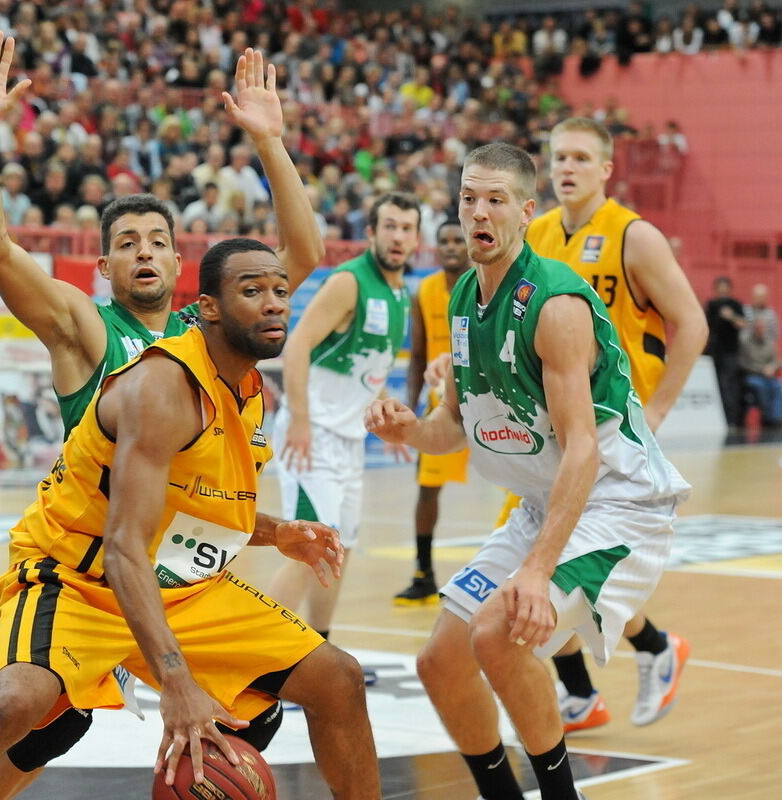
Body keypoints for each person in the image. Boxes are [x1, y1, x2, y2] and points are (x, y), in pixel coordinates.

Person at [0, 31, 324, 798]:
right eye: (127, 243)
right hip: (91, 561)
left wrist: (271, 143)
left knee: (257, 717)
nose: (145, 252)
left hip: (175, 569)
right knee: (49, 714)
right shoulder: (84, 328)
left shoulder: (205, 337)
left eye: (158, 240)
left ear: (182, 265)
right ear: (105, 267)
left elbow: (301, 254)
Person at [0, 237, 381, 800]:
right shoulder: (164, 387)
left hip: (174, 584)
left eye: (280, 291)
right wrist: (175, 682)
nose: (275, 302)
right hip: (76, 577)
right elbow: (123, 545)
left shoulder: (247, 387)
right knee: (18, 704)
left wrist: (278, 533)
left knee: (338, 678)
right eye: (252, 291)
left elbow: (194, 503)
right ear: (208, 307)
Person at [366, 142, 690, 800]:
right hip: (548, 504)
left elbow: (582, 450)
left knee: (500, 635)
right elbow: (453, 425)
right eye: (467, 198)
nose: (478, 212)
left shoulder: (555, 307)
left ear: (525, 212)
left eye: (495, 200)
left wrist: (537, 570)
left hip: (618, 506)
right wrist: (409, 429)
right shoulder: (460, 295)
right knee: (439, 663)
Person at [524, 117, 707, 731]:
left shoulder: (635, 236)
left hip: (613, 425)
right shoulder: (538, 233)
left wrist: (657, 409)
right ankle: (643, 654)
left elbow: (694, 325)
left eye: (579, 158)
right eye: (557, 157)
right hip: (553, 424)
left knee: (549, 558)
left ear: (606, 169)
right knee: (546, 557)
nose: (566, 168)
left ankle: (585, 690)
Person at [269, 191, 418, 661]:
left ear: (417, 238)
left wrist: (385, 421)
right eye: (389, 226)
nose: (398, 236)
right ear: (371, 233)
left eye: (407, 228)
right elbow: (296, 348)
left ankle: (318, 652)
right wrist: (301, 421)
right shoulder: (349, 282)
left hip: (349, 439)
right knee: (310, 545)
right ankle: (257, 660)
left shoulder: (399, 294)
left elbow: (367, 373)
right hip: (312, 435)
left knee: (341, 547)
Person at [393, 218, 472, 605]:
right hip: (443, 404)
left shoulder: (485, 284)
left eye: (459, 239)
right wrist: (410, 406)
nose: (453, 246)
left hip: (489, 398)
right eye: (446, 241)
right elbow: (418, 355)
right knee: (427, 489)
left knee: (517, 483)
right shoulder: (423, 290)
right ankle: (423, 573)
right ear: (436, 247)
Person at [705, 276, 746, 428]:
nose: (722, 290)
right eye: (719, 287)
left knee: (729, 384)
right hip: (714, 351)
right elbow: (706, 326)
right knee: (715, 385)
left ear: (729, 288)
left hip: (730, 351)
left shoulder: (735, 304)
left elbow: (743, 324)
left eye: (725, 287)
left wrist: (731, 316)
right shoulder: (711, 305)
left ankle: (731, 420)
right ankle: (717, 419)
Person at [739, 316, 782, 428]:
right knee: (759, 386)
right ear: (754, 329)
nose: (760, 330)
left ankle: (776, 418)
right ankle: (767, 417)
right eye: (758, 327)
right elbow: (743, 363)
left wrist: (772, 367)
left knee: (778, 386)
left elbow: (776, 361)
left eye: (762, 328)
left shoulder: (769, 343)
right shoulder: (746, 343)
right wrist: (760, 370)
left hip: (768, 376)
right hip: (753, 375)